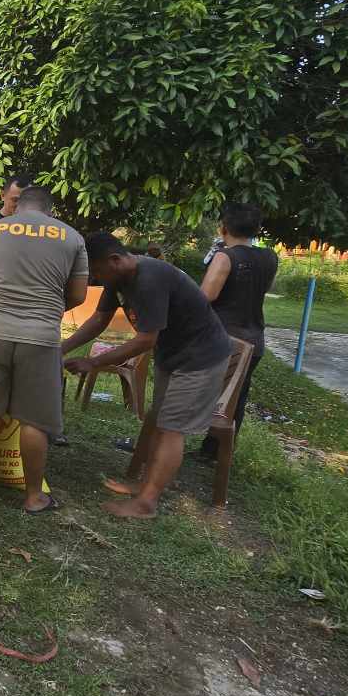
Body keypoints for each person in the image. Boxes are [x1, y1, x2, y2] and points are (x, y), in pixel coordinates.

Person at [61, 232, 232, 519]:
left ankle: (146, 502)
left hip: (200, 359)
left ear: (115, 260)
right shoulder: (118, 278)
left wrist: (94, 363)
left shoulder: (149, 279)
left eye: (97, 272)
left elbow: (144, 341)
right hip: (174, 355)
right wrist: (61, 348)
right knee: (158, 419)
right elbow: (99, 320)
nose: (95, 278)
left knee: (171, 427)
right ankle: (145, 484)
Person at [0, 186, 88, 514]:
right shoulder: (72, 238)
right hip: (41, 337)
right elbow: (78, 295)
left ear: (18, 207)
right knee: (34, 420)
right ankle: (33, 497)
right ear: (50, 210)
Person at [195, 203, 278, 462]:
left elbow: (205, 296)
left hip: (222, 339)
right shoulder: (270, 257)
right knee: (235, 399)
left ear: (223, 227)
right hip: (254, 339)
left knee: (194, 391)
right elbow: (262, 287)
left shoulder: (225, 257)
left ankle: (165, 443)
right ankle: (216, 453)